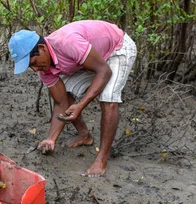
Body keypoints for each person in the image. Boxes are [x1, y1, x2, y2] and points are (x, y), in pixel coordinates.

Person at [8, 20, 136, 177]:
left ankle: (102, 159)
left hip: (118, 47)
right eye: (30, 67)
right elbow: (61, 101)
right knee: (66, 92)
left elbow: (104, 71)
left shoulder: (67, 42)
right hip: (94, 58)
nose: (35, 70)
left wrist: (81, 105)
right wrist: (51, 139)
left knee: (108, 98)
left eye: (33, 63)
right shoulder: (44, 69)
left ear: (42, 48)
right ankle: (85, 136)